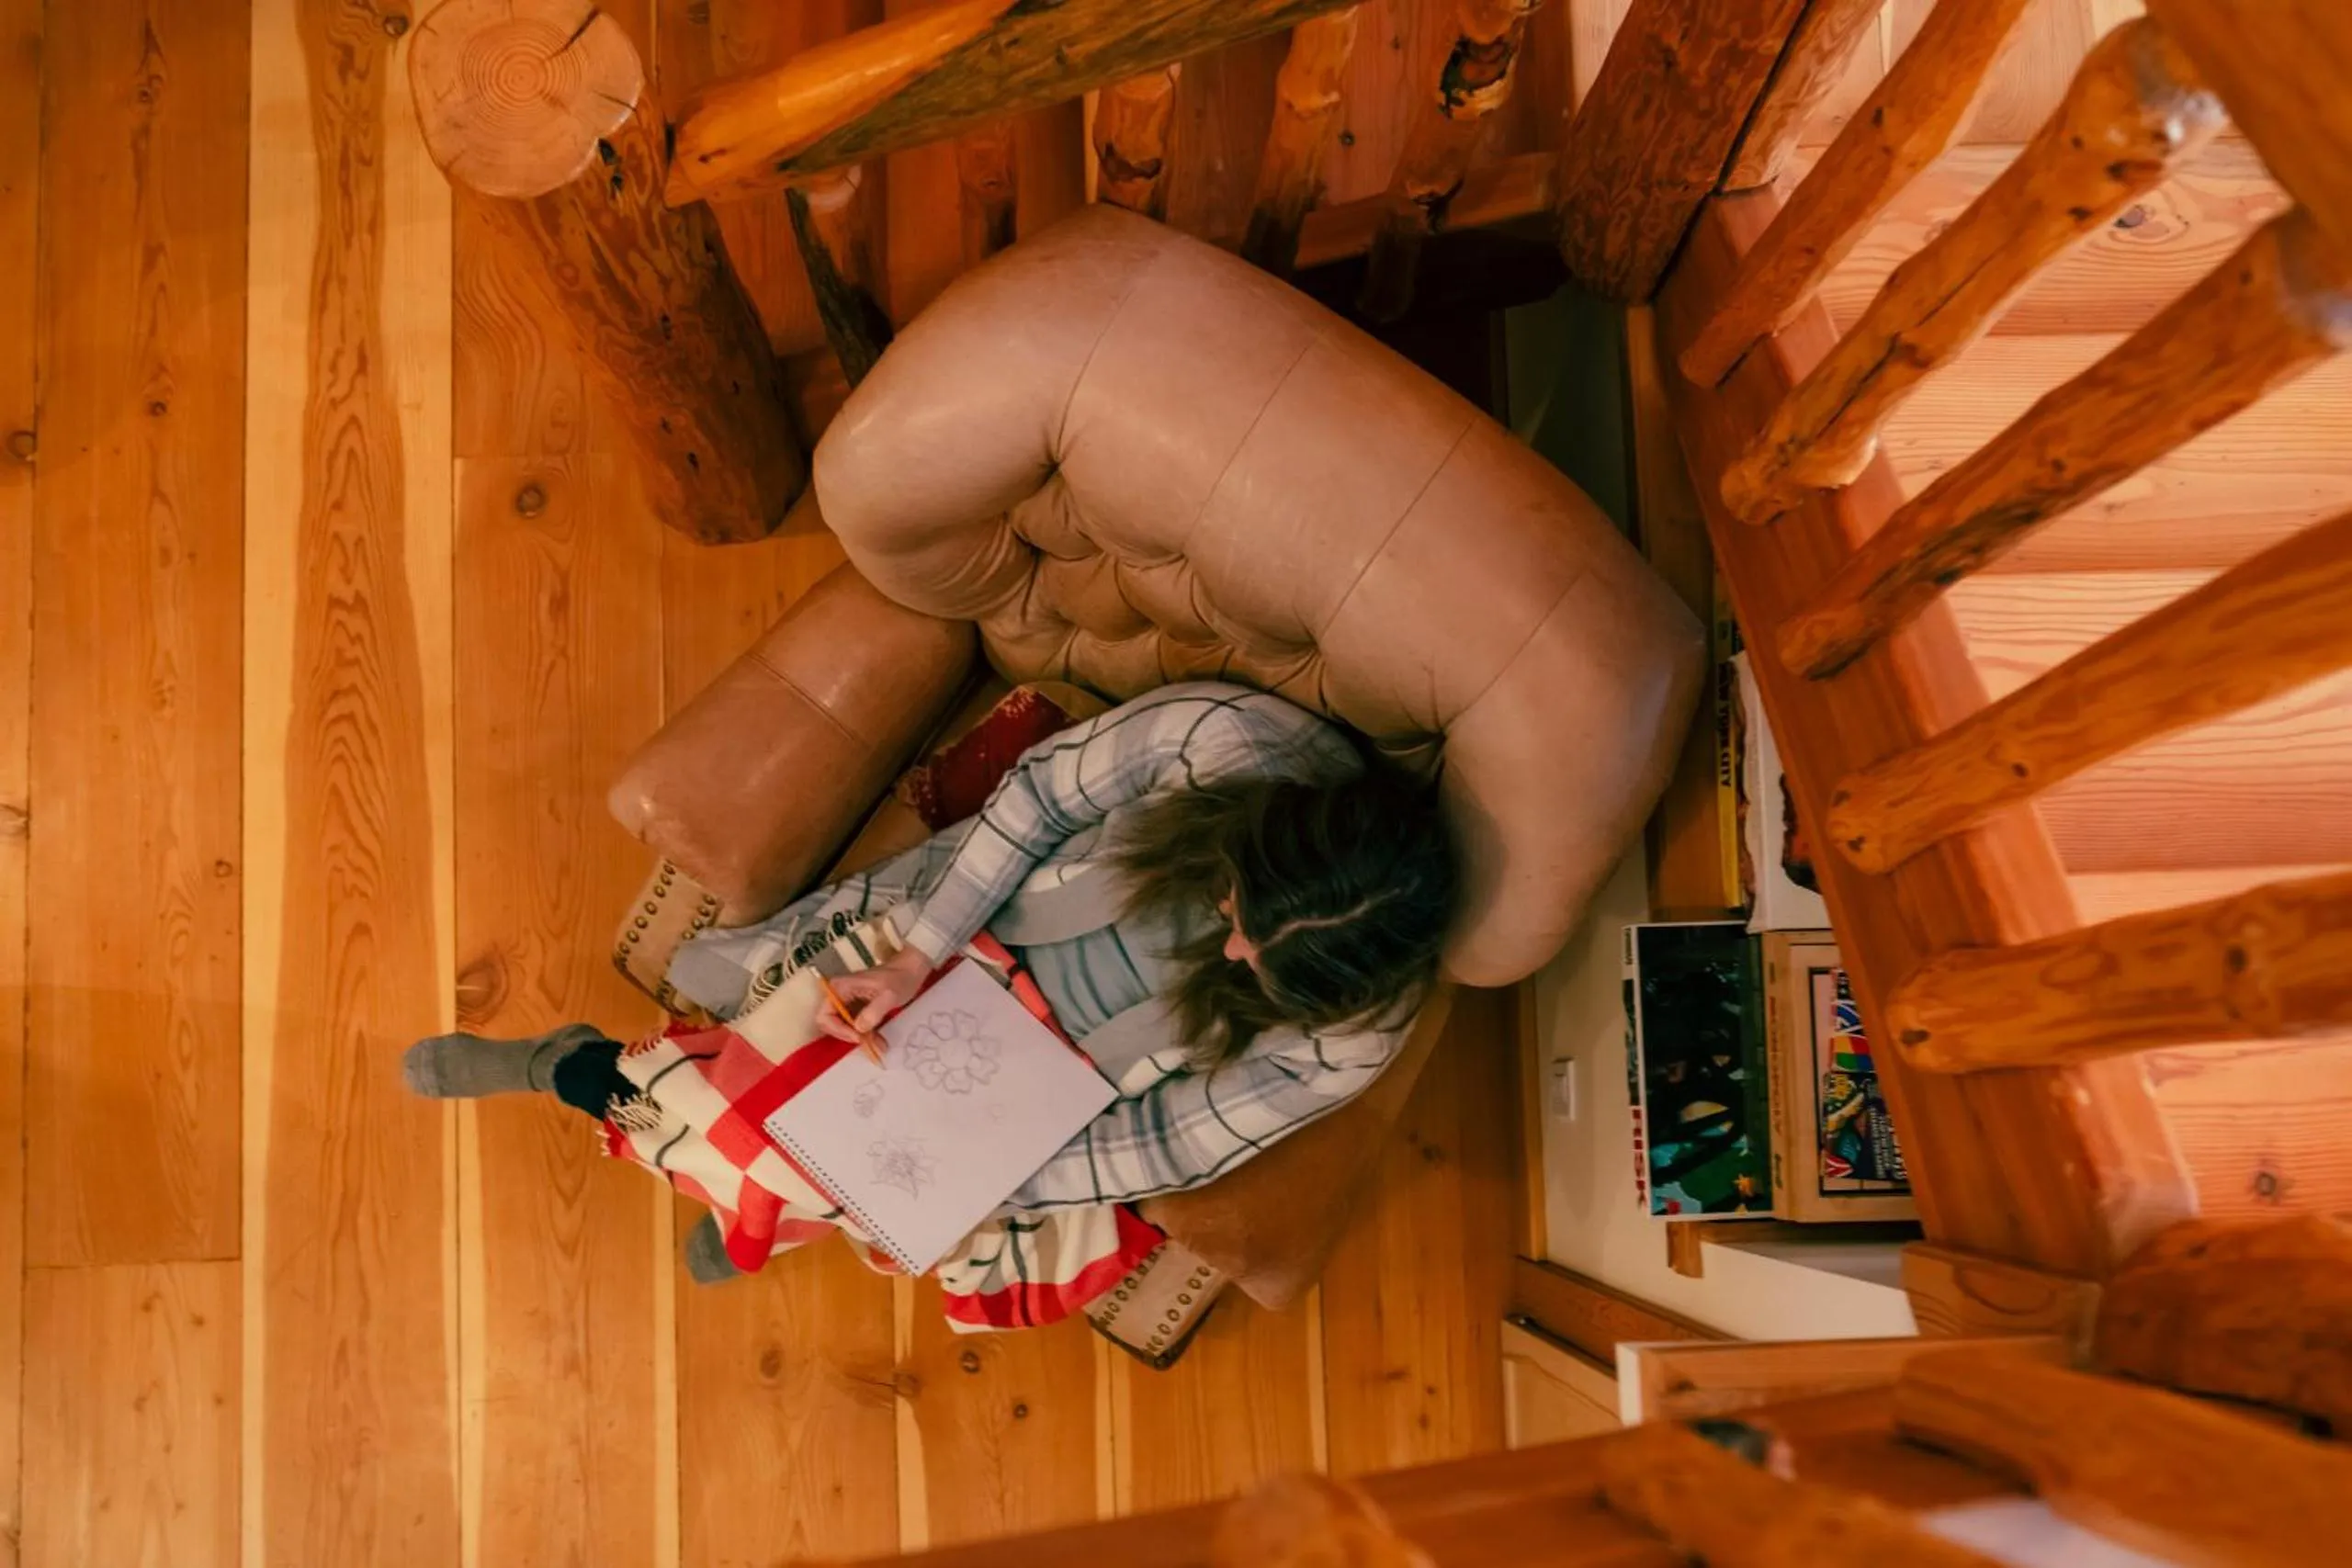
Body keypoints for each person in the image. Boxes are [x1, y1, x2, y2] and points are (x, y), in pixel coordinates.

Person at [401, 682, 1458, 1288]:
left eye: (1261, 973)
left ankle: (743, 1202)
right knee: (735, 1074)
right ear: (1262, 836)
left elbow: (1168, 1145)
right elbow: (1038, 800)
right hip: (950, 941)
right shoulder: (1222, 746)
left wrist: (989, 1176)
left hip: (1040, 1101)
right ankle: (570, 1069)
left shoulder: (1351, 1035)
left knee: (826, 1175)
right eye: (1236, 916)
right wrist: (920, 955)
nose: (1229, 955)